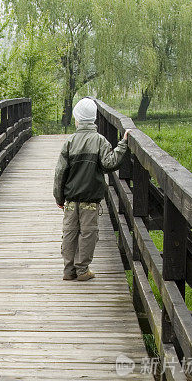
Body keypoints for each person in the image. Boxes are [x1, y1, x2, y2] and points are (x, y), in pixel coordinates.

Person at [53, 97, 129, 281]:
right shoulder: (100, 141)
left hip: (71, 199)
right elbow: (110, 164)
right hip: (90, 200)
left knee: (70, 232)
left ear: (77, 120)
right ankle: (82, 270)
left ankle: (68, 269)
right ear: (94, 119)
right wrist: (122, 145)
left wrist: (59, 198)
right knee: (88, 233)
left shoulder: (69, 142)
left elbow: (60, 173)